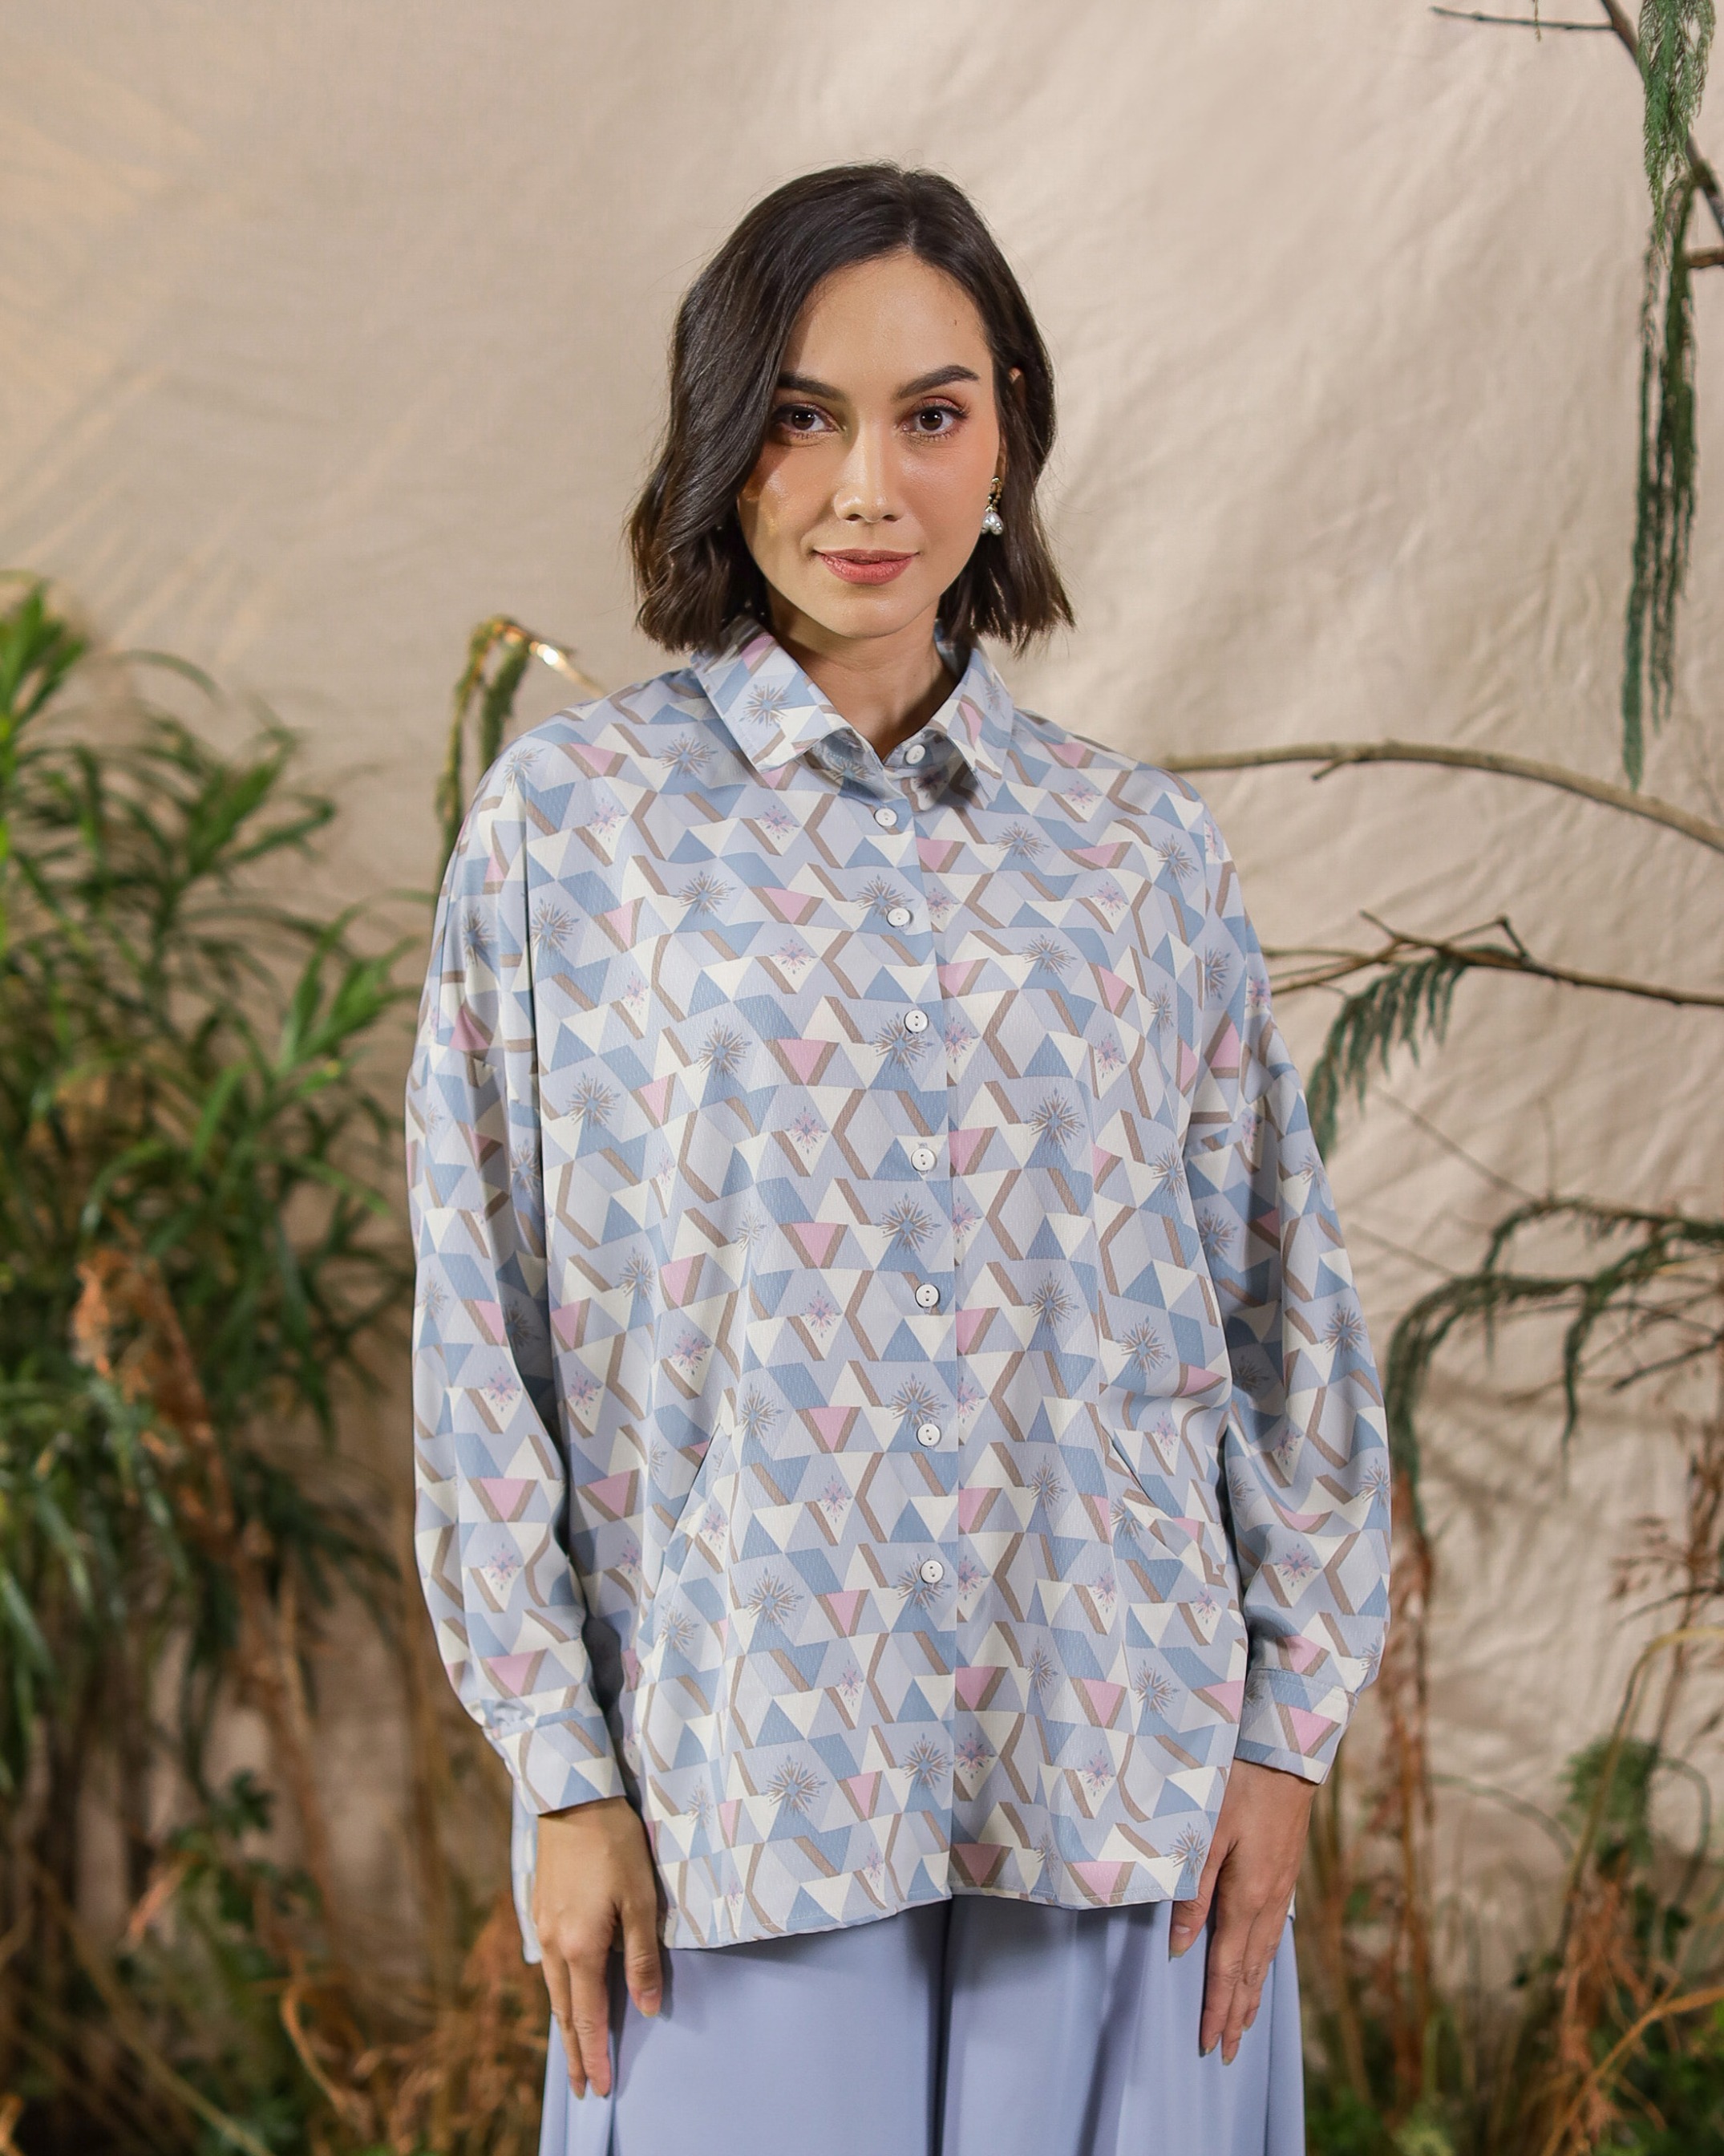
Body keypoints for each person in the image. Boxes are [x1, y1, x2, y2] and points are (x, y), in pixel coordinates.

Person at [407, 162, 1390, 2156]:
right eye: (803, 415)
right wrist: (559, 1771)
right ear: (722, 438)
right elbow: (479, 1328)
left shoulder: (1135, 855)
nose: (868, 488)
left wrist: (1285, 1741)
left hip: (1119, 1797)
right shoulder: (569, 832)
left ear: (1006, 438)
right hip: (737, 1807)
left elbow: (1279, 1312)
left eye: (929, 415)